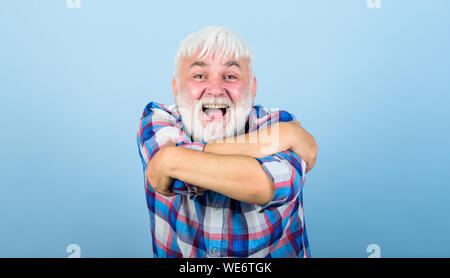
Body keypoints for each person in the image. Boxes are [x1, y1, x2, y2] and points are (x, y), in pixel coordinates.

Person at [136, 26, 318, 258]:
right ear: (176, 88)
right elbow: (170, 177)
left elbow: (261, 185)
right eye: (199, 76)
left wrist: (173, 159)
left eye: (230, 76)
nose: (214, 90)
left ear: (252, 89)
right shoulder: (157, 118)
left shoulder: (280, 122)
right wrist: (277, 139)